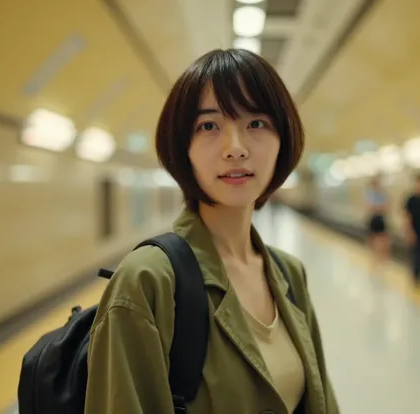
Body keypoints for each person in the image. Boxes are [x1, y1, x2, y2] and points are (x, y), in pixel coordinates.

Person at [84, 49, 340, 414]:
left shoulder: (288, 274)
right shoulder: (148, 282)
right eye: (209, 126)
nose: (234, 149)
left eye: (256, 123)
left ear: (283, 139)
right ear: (182, 147)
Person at [365, 176, 390, 273]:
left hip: (381, 218)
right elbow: (370, 207)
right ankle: (375, 256)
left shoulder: (383, 194)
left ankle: (382, 257)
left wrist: (378, 208)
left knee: (384, 238)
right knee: (374, 238)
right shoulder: (370, 194)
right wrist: (379, 208)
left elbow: (386, 206)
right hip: (374, 218)